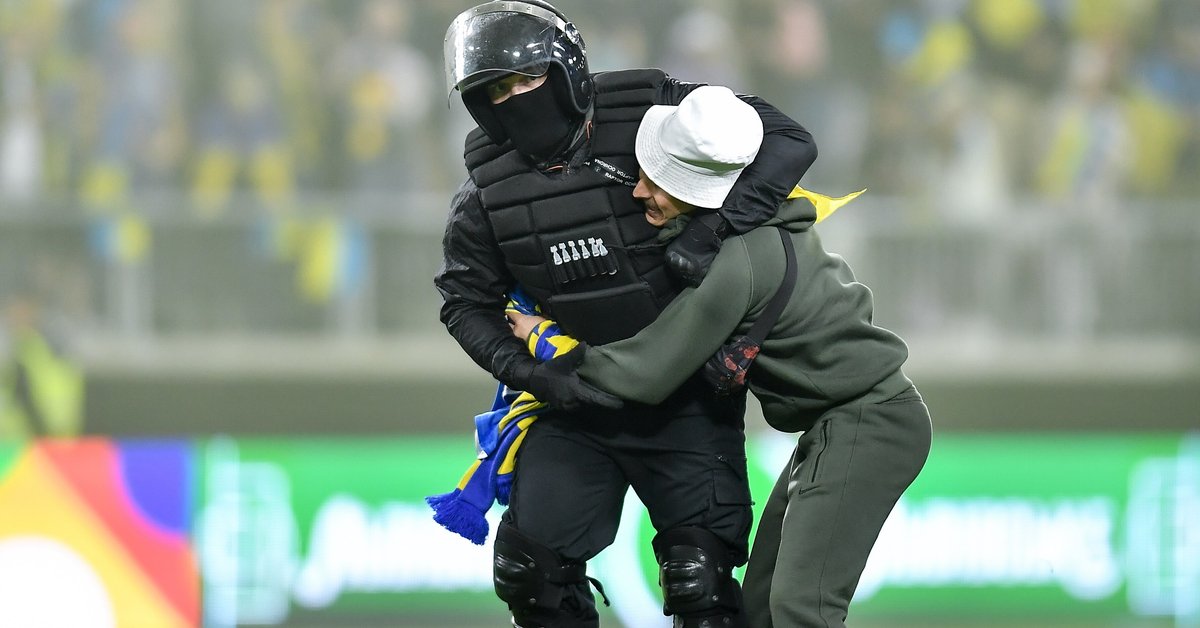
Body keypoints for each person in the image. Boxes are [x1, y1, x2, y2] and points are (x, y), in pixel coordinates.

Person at [435, 1, 817, 626]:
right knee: (528, 570)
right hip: (576, 399)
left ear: (568, 72)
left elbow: (788, 142)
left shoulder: (657, 112)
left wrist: (714, 228)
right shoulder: (486, 190)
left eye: (526, 79)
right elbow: (464, 301)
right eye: (495, 90)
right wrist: (532, 375)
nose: (514, 100)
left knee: (702, 583)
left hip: (688, 397)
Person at [508, 86, 932, 628]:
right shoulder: (753, 227)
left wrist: (546, 344)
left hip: (868, 423)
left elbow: (649, 370)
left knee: (801, 608)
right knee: (760, 609)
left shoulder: (742, 258)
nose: (638, 191)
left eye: (657, 181)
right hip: (842, 423)